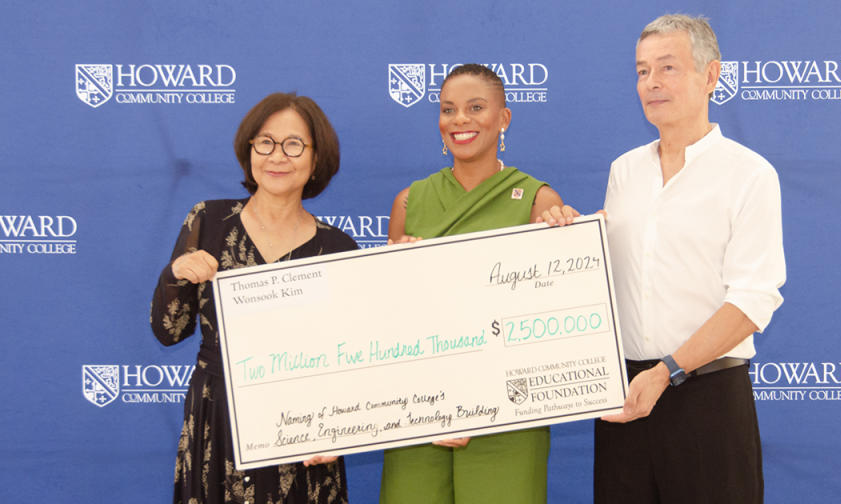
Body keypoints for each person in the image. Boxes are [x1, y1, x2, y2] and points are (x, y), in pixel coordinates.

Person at [542, 13, 786, 503]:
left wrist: (668, 371)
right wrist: (566, 237)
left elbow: (753, 301)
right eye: (641, 71)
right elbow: (607, 277)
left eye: (667, 68)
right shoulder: (624, 170)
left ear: (710, 76)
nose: (651, 83)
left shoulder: (749, 174)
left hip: (708, 400)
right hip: (625, 397)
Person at [150, 92, 355, 504]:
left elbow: (353, 361)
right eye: (265, 142)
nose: (277, 156)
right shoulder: (206, 221)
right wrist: (174, 277)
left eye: (294, 144)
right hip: (218, 420)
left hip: (303, 429)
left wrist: (344, 430)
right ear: (249, 151)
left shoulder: (338, 248)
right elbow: (169, 332)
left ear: (317, 159)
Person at [381, 63, 565, 504]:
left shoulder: (539, 201)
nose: (459, 120)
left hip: (508, 421)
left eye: (475, 107)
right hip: (418, 418)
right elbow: (389, 324)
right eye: (448, 110)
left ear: (503, 118)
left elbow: (549, 329)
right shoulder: (409, 201)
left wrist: (566, 241)